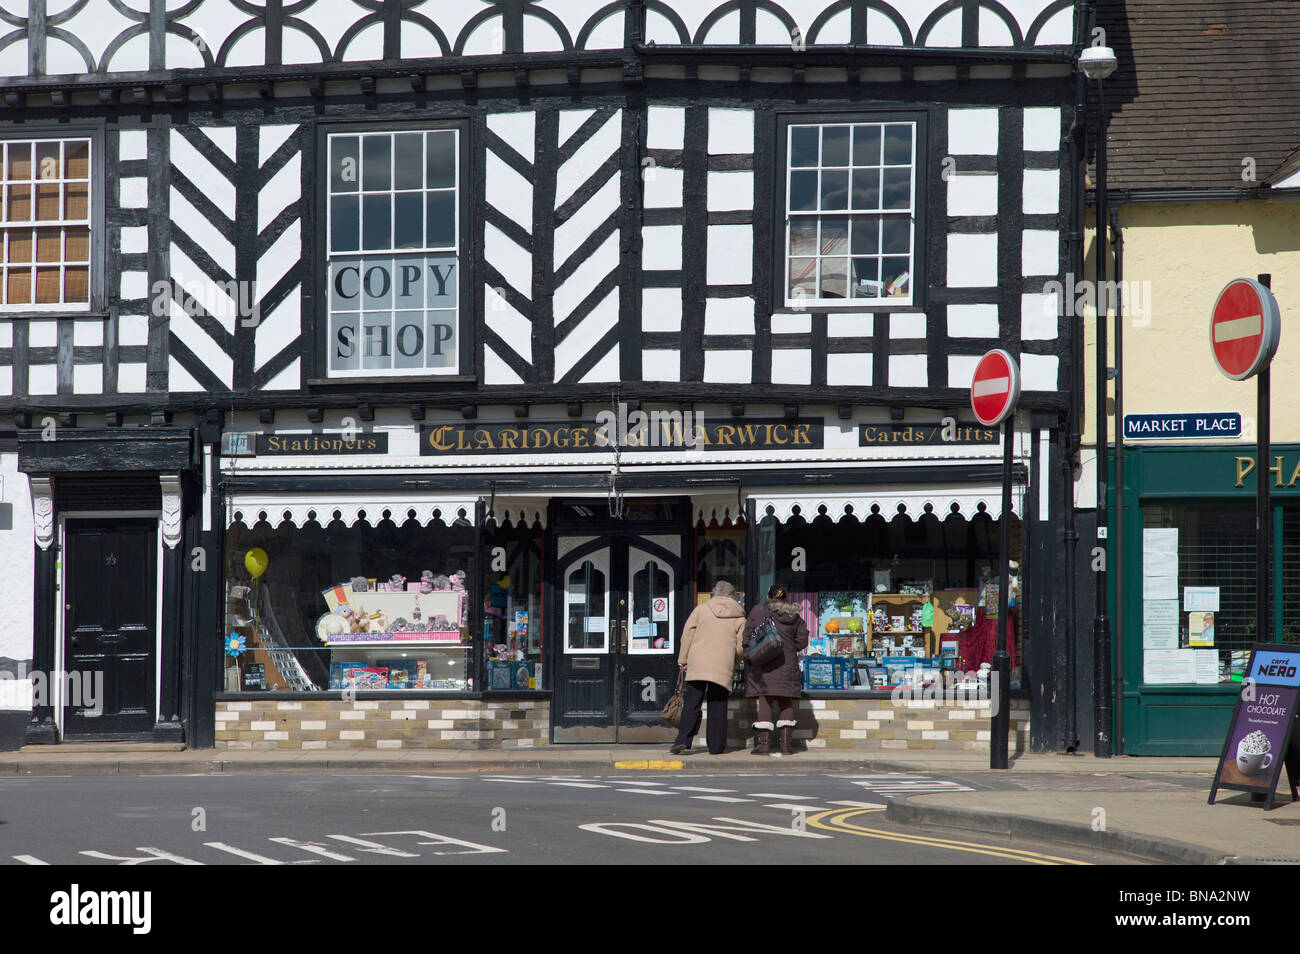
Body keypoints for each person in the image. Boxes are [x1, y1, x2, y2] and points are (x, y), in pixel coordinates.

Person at [671, 580, 745, 755]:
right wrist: (733, 662)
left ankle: (683, 740)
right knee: (717, 705)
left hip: (698, 662)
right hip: (722, 664)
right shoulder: (740, 617)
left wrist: (683, 659)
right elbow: (741, 646)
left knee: (692, 703)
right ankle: (716, 747)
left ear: (714, 594)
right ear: (732, 596)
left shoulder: (700, 610)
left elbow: (687, 635)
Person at [743, 583, 810, 755]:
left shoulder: (758, 611)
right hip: (787, 666)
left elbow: (747, 636)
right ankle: (786, 746)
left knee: (764, 702)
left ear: (768, 596)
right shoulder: (793, 615)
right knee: (786, 702)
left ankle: (763, 745)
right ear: (785, 598)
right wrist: (788, 646)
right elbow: (802, 641)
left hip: (763, 666)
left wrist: (751, 653)